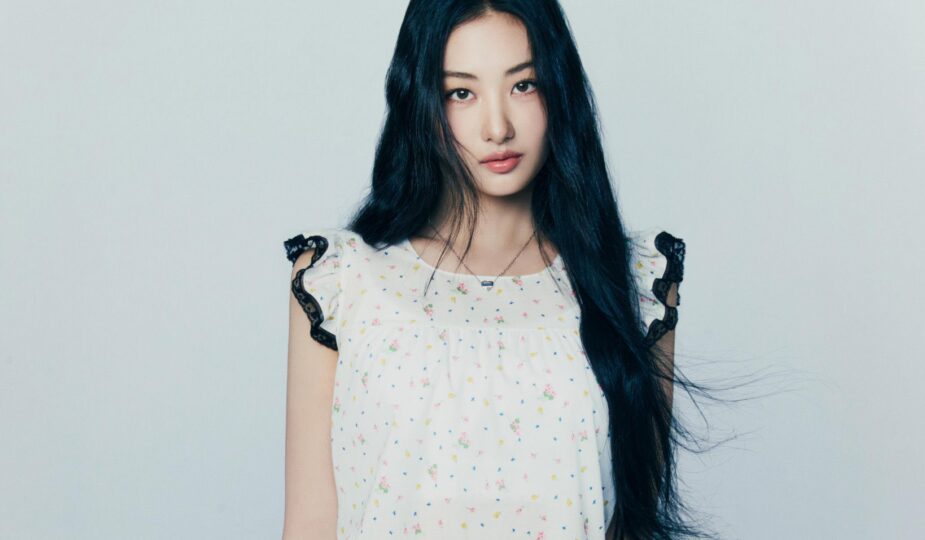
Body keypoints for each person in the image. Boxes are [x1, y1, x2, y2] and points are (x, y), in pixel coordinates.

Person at [281, 2, 705, 539]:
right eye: (461, 93)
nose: (498, 127)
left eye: (523, 85)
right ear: (421, 102)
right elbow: (310, 525)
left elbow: (640, 522)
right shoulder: (342, 281)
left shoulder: (637, 283)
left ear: (560, 89)